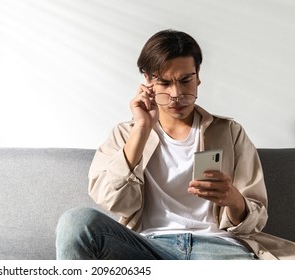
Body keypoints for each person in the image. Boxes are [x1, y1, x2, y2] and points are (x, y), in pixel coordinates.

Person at [56, 29, 295, 260]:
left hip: (218, 248)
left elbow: (257, 217)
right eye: (164, 83)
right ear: (148, 81)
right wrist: (141, 130)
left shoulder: (230, 133)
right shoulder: (125, 134)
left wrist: (233, 199)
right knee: (75, 221)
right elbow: (110, 200)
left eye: (185, 81)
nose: (176, 94)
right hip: (149, 248)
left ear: (198, 76)